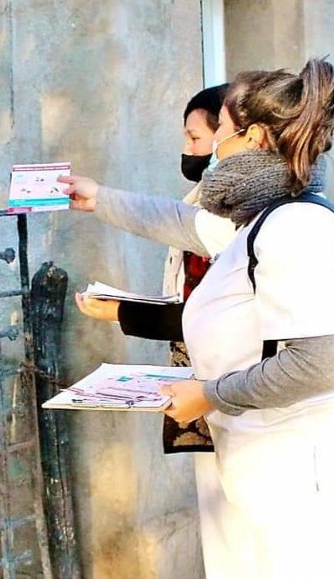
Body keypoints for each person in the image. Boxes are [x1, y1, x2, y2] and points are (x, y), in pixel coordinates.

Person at [61, 58, 334, 578]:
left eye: (218, 131)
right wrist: (101, 199)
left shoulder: (296, 228)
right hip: (286, 467)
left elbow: (318, 362)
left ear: (257, 137)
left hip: (315, 475)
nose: (211, 149)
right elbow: (184, 222)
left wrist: (209, 394)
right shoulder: (266, 220)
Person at [75, 83, 234, 454]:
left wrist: (123, 312)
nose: (187, 150)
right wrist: (98, 198)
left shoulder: (246, 217)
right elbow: (166, 219)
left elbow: (213, 315)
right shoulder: (202, 202)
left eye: (196, 137)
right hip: (206, 381)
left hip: (235, 389)